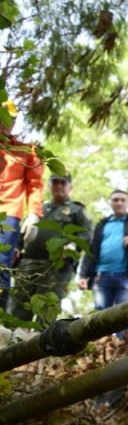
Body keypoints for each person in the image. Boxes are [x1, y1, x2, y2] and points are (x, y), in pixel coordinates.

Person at [8, 174, 91, 324]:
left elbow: (86, 233)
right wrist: (17, 247)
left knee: (47, 310)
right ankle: (13, 343)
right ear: (49, 185)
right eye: (55, 182)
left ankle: (40, 345)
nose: (59, 186)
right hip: (28, 263)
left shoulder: (76, 210)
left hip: (56, 266)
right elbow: (23, 229)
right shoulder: (39, 208)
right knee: (18, 306)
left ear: (69, 187)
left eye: (62, 183)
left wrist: (72, 247)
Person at [78, 189, 128, 339]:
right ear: (110, 203)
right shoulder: (101, 224)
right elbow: (90, 250)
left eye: (122, 200)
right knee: (99, 318)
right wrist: (83, 275)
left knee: (124, 317)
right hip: (101, 278)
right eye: (115, 200)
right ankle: (100, 352)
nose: (119, 203)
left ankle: (120, 352)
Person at [0, 102, 44, 310]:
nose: (6, 122)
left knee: (1, 265)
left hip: (8, 214)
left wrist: (34, 213)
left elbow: (35, 185)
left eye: (11, 118)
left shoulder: (26, 152)